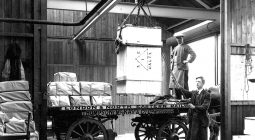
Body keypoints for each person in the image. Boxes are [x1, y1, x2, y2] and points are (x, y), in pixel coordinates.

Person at [169, 33, 196, 99]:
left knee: (184, 86)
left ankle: (188, 100)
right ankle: (178, 101)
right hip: (175, 69)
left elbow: (193, 54)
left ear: (182, 38)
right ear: (176, 39)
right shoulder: (175, 48)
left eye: (180, 38)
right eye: (177, 38)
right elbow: (172, 57)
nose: (179, 39)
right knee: (176, 86)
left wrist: (188, 61)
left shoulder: (186, 46)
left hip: (182, 68)